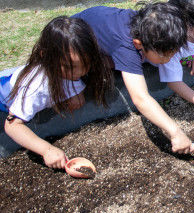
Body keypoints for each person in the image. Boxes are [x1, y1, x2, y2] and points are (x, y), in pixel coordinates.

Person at [72, 3, 194, 154]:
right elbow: (140, 98)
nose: (169, 59)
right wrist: (175, 132)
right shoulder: (127, 47)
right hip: (72, 42)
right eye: (166, 55)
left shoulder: (147, 25)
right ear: (138, 45)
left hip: (95, 22)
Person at [1, 16, 113, 169]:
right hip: (5, 94)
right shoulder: (37, 87)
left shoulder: (71, 68)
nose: (79, 73)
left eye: (85, 65)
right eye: (70, 67)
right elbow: (12, 124)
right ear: (45, 56)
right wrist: (47, 149)